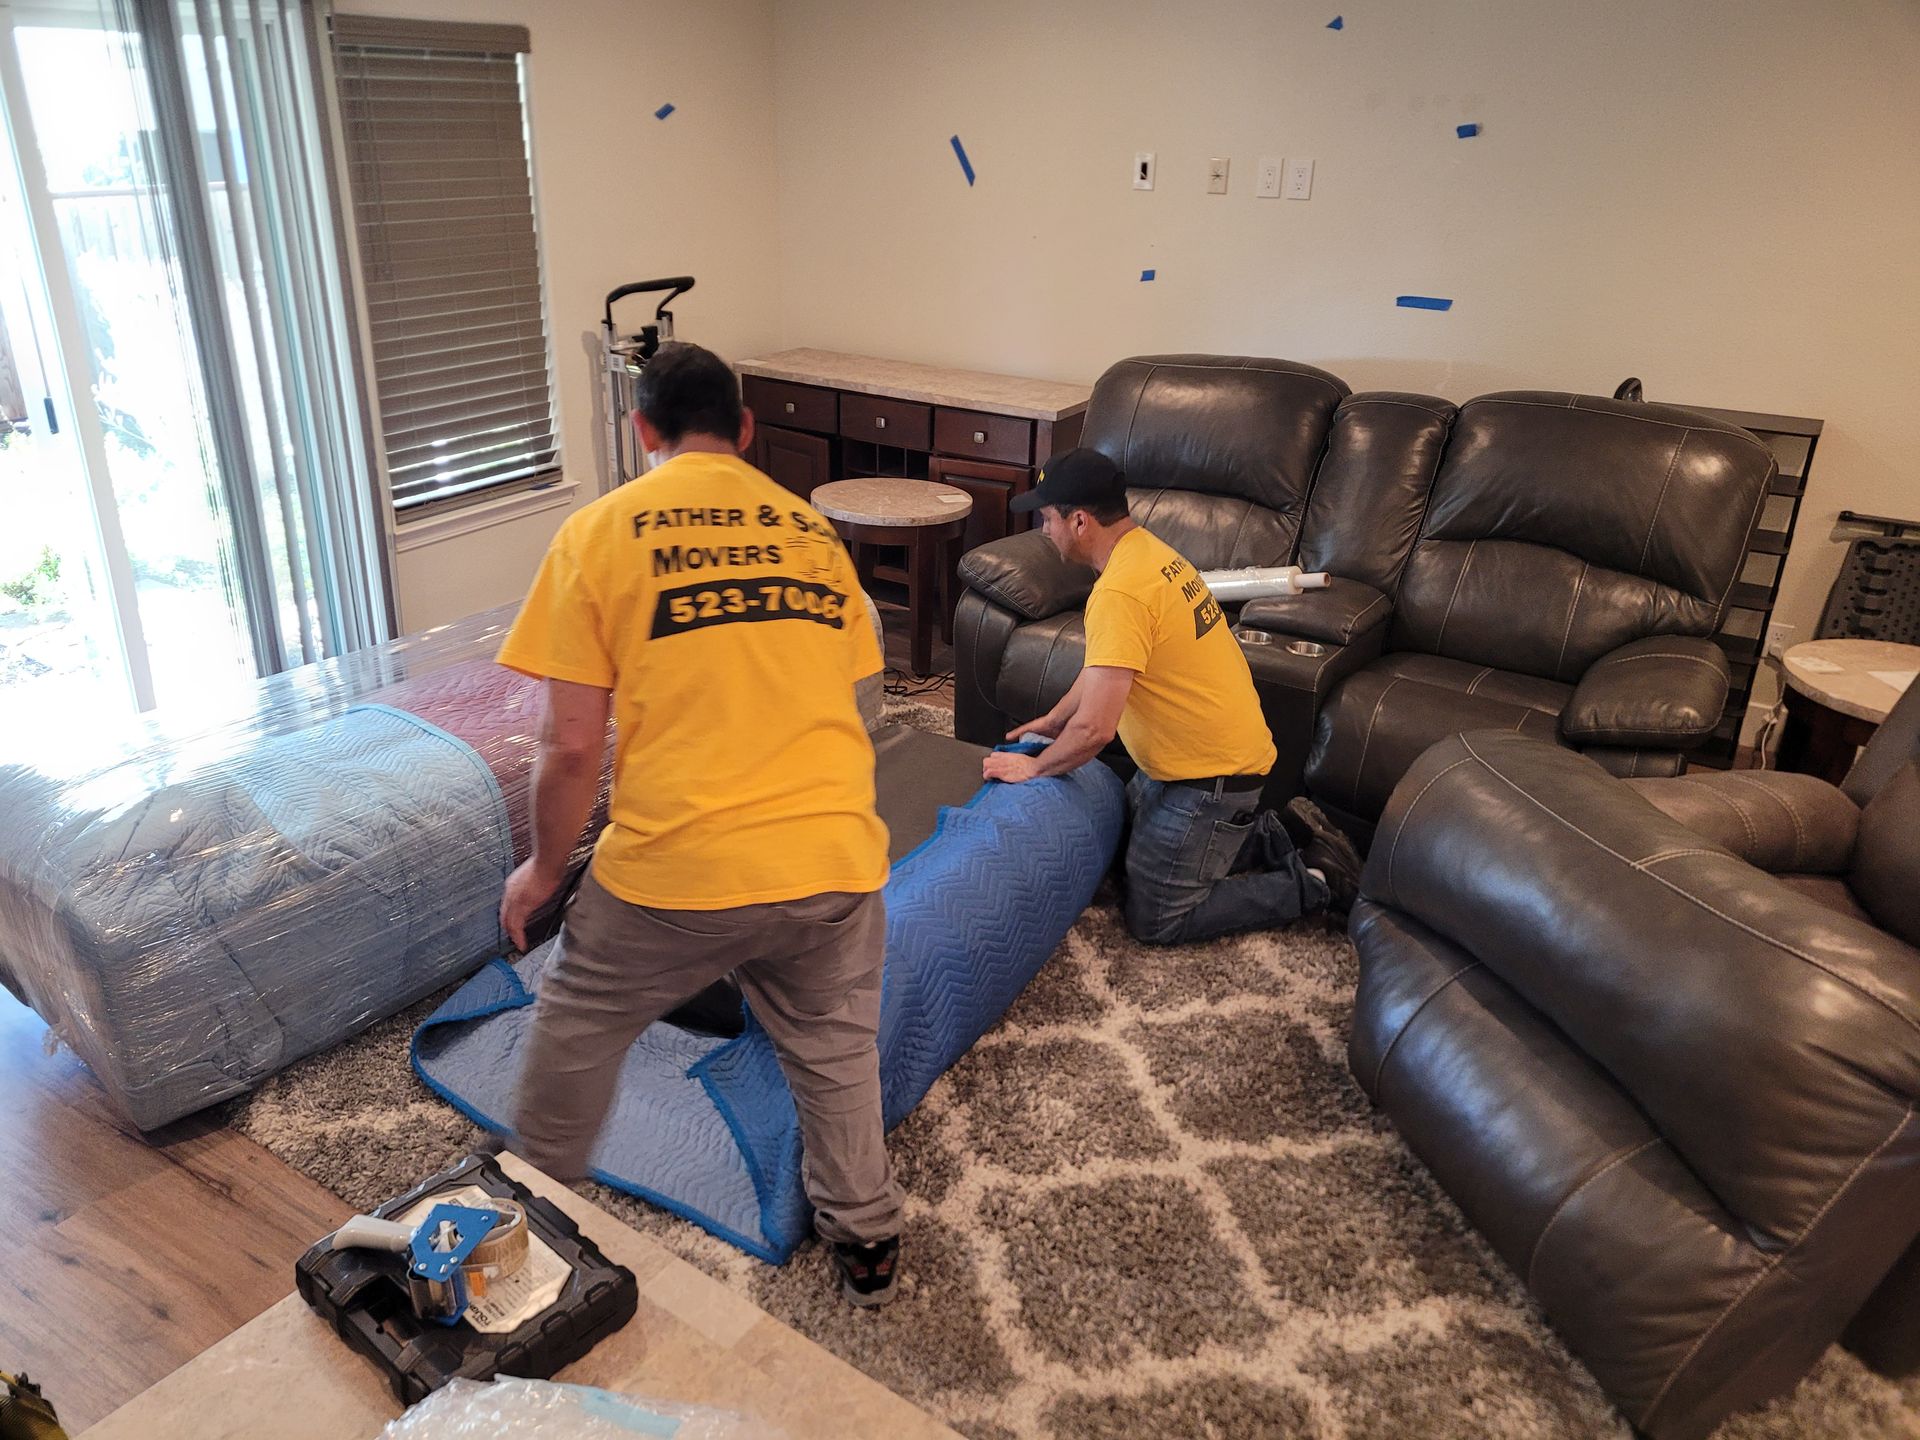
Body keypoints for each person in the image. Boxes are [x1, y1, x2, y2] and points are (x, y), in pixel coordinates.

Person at [495, 342, 903, 1306]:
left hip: (678, 877)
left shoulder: (599, 533)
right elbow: (860, 703)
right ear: (747, 431)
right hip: (836, 860)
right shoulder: (811, 532)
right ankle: (869, 1242)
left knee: (576, 1026)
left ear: (644, 432)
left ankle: (531, 1221)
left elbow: (567, 746)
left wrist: (543, 872)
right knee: (836, 1049)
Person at [982, 448, 1361, 944]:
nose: (1043, 529)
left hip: (1210, 777)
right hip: (1201, 761)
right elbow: (1106, 667)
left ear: (1079, 521)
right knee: (1122, 856)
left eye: (1047, 517)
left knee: (1158, 915)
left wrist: (1034, 766)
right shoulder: (1150, 554)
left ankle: (1315, 883)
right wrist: (1054, 718)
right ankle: (1275, 833)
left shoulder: (1121, 593)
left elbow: (1096, 731)